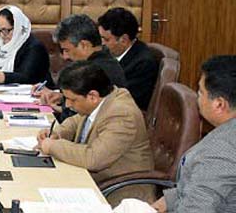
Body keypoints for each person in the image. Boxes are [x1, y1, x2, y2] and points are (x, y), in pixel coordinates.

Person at [36, 61, 154, 207]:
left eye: (72, 100)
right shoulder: (103, 99)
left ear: (92, 96)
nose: (67, 105)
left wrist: (53, 146)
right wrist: (57, 133)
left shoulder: (121, 114)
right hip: (92, 180)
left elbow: (94, 159)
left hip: (119, 194)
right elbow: (75, 121)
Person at [151, 55, 236, 212]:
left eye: (201, 92)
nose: (197, 97)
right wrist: (162, 204)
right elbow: (199, 184)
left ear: (219, 104)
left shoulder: (219, 152)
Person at [35, 14, 127, 121]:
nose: (65, 57)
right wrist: (62, 97)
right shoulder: (105, 59)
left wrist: (62, 108)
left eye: (67, 50)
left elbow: (76, 117)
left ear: (84, 45)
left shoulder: (95, 72)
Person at [98, 7, 159, 111]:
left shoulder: (143, 63)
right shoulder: (105, 52)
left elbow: (125, 99)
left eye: (106, 39)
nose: (102, 43)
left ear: (124, 40)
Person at [0, 5, 50, 84]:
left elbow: (27, 78)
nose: (2, 35)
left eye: (6, 30)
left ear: (18, 27)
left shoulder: (34, 47)